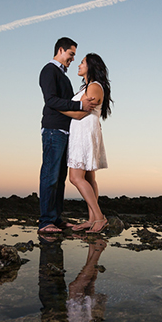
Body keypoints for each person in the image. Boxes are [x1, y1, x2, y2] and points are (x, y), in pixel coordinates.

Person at [37, 37, 97, 233]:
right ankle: (46, 222)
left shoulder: (63, 76)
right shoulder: (49, 70)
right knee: (50, 175)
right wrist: (80, 105)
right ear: (60, 50)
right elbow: (51, 101)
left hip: (65, 132)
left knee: (60, 177)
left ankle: (56, 219)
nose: (72, 59)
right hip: (53, 130)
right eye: (71, 55)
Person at [61, 53, 113, 233]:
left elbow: (81, 113)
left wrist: (58, 108)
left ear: (91, 66)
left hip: (84, 133)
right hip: (84, 132)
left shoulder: (94, 87)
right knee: (89, 178)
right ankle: (92, 219)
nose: (79, 64)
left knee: (75, 177)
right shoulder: (88, 87)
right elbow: (80, 110)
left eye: (82, 62)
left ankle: (99, 217)